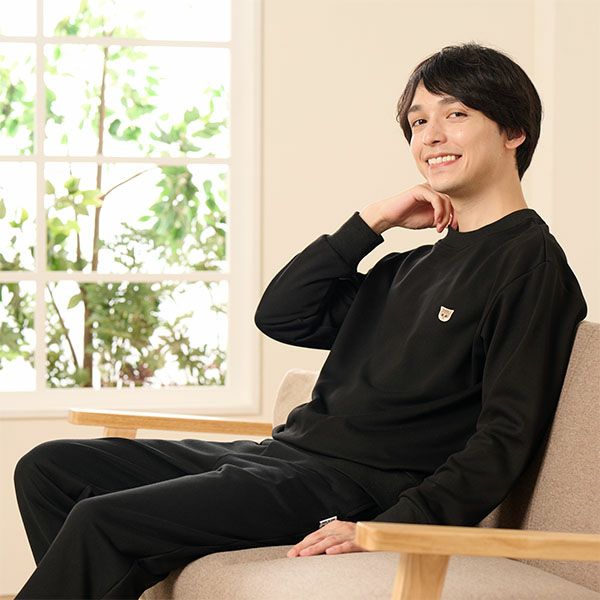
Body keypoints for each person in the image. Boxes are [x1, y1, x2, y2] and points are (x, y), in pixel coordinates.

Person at [13, 42, 587, 599]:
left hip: (352, 485)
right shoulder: (408, 265)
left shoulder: (530, 266)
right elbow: (283, 314)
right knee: (49, 469)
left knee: (102, 520)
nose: (430, 135)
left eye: (455, 114)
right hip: (283, 457)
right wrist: (371, 221)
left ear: (514, 132)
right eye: (418, 122)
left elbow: (504, 437)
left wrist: (390, 527)